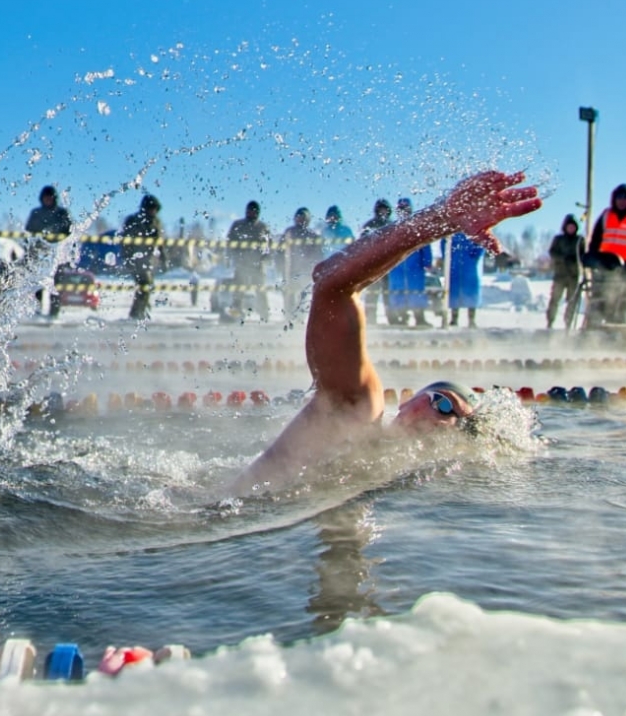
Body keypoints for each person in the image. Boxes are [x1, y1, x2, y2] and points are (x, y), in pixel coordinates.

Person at [229, 169, 540, 494]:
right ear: (406, 401)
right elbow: (332, 283)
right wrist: (440, 219)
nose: (444, 421)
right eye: (442, 404)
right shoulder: (355, 412)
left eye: (463, 426)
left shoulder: (400, 489)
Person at [585, 183, 626, 325]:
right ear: (613, 199)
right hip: (605, 264)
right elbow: (596, 239)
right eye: (618, 198)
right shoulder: (606, 215)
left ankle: (620, 328)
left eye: (624, 198)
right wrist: (592, 257)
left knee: (622, 298)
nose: (621, 201)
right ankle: (593, 327)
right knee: (599, 296)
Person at [385, 198, 434, 327]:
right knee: (398, 293)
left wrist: (427, 262)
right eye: (401, 209)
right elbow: (386, 250)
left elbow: (425, 245)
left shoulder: (418, 227)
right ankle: (401, 318)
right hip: (397, 268)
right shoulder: (392, 229)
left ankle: (419, 318)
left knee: (416, 293)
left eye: (405, 209)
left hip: (414, 267)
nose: (403, 212)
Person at [26, 185, 73, 316]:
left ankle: (54, 314)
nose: (48, 200)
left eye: (50, 197)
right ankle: (37, 311)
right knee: (37, 284)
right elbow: (29, 232)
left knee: (57, 286)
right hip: (40, 255)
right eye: (46, 198)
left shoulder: (62, 213)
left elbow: (70, 231)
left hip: (58, 255)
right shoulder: (36, 213)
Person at [225, 200, 273, 322]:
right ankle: (236, 315)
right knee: (239, 291)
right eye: (249, 210)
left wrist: (266, 257)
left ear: (258, 212)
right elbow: (230, 242)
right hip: (242, 263)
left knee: (260, 291)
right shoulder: (238, 225)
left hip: (258, 264)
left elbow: (269, 245)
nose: (251, 212)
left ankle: (264, 316)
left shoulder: (263, 227)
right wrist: (231, 256)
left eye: (253, 210)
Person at [120, 194, 165, 321]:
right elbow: (125, 242)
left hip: (148, 259)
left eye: (155, 209)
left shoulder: (156, 222)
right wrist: (128, 258)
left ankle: (141, 311)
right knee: (145, 284)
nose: (153, 212)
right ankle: (136, 314)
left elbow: (160, 242)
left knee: (147, 286)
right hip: (135, 259)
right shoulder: (133, 220)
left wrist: (163, 258)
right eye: (152, 208)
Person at [280, 206, 324, 322]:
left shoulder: (312, 235)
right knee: (289, 295)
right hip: (291, 269)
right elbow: (280, 251)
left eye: (303, 217)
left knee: (303, 296)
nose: (301, 220)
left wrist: (314, 268)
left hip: (306, 271)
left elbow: (318, 254)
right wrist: (280, 265)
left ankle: (300, 319)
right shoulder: (289, 232)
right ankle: (288, 318)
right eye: (299, 217)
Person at [358, 198, 394, 325]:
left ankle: (392, 318)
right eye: (380, 209)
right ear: (377, 210)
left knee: (388, 293)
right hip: (373, 264)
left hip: (390, 264)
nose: (383, 211)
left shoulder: (392, 224)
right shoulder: (370, 225)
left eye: (385, 209)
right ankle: (371, 319)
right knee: (372, 293)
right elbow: (362, 244)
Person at [545, 214, 583, 329]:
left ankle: (568, 323)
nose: (571, 228)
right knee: (555, 299)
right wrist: (562, 258)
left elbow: (583, 255)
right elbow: (552, 253)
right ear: (565, 227)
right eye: (569, 226)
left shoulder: (579, 240)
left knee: (572, 301)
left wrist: (575, 260)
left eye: (573, 227)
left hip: (573, 275)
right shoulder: (558, 239)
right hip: (560, 275)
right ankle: (550, 322)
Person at [443, 231, 485, 327]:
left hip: (469, 266)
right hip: (454, 266)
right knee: (454, 293)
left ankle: (471, 320)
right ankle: (454, 319)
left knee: (471, 292)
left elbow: (481, 244)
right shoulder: (451, 231)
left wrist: (474, 257)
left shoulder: (473, 230)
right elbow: (445, 244)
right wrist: (448, 257)